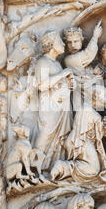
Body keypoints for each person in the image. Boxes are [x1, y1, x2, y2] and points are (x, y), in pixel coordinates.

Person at [33, 31, 73, 170]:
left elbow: (58, 84)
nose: (63, 45)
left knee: (58, 139)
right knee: (45, 135)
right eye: (60, 42)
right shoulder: (42, 62)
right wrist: (62, 74)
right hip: (50, 107)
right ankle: (34, 167)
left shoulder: (55, 63)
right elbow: (42, 85)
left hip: (61, 107)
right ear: (51, 44)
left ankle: (50, 167)